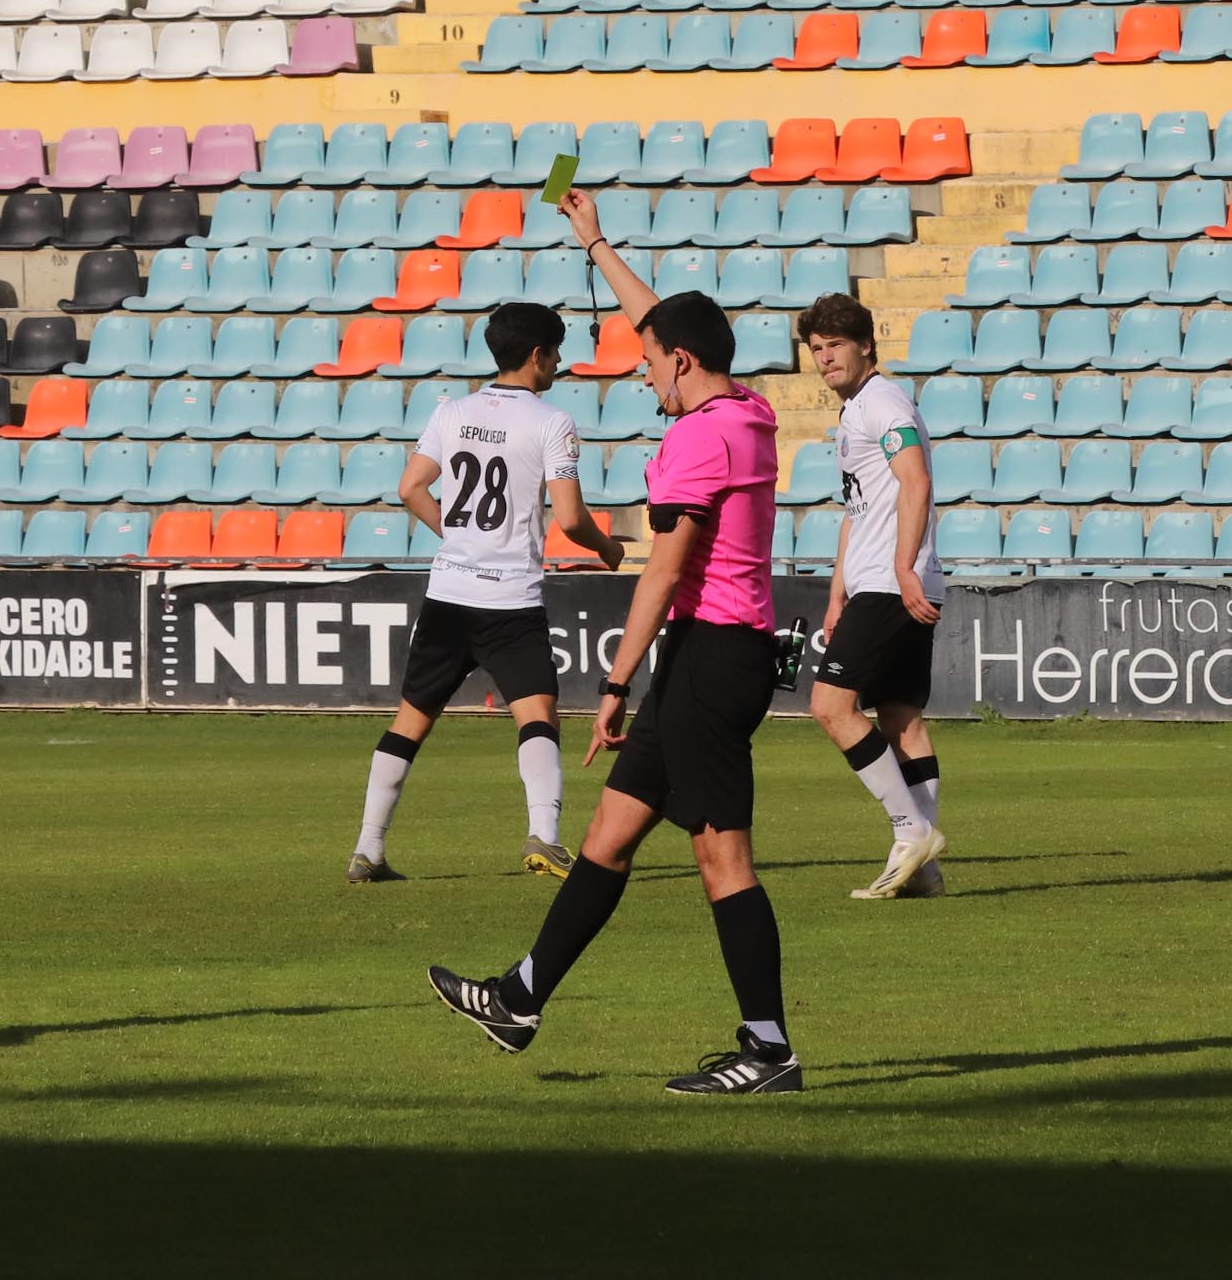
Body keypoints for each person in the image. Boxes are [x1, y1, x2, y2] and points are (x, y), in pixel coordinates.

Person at [428, 188, 802, 1096]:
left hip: (709, 655)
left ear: (680, 362)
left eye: (647, 363)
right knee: (608, 830)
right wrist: (595, 245)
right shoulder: (743, 409)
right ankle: (519, 997)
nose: (641, 375)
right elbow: (664, 323)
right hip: (716, 653)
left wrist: (615, 679)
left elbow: (663, 574)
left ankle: (768, 1050)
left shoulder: (691, 447)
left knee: (722, 855)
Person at [348, 303, 625, 885]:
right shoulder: (551, 421)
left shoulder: (453, 412)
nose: (557, 362)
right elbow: (570, 520)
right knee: (538, 714)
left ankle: (368, 849)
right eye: (555, 351)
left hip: (449, 593)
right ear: (536, 355)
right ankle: (544, 838)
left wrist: (459, 536)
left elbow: (410, 487)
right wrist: (606, 548)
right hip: (509, 599)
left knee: (410, 720)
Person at [799, 295, 948, 899]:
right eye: (816, 348)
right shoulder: (858, 410)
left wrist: (902, 568)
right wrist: (836, 596)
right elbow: (856, 513)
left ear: (865, 344)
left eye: (835, 343)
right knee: (901, 719)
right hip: (882, 582)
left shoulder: (881, 401)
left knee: (831, 706)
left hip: (893, 584)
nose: (825, 356)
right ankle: (926, 868)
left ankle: (911, 830)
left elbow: (916, 478)